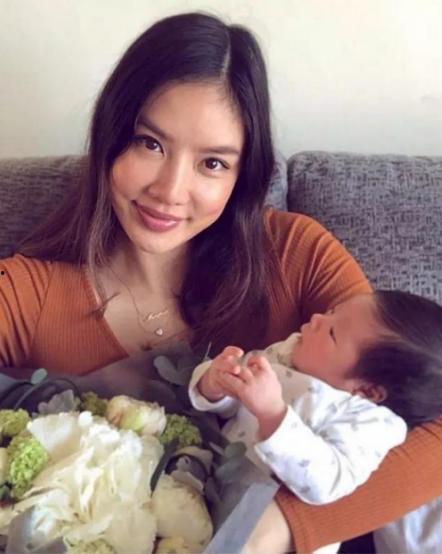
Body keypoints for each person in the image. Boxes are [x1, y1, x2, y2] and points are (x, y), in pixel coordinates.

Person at [0, 11, 440, 554]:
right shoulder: (27, 294)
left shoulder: (296, 254)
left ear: (242, 175)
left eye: (212, 163)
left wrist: (272, 531)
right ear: (110, 136)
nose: (170, 191)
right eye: (150, 144)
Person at [190, 289, 442, 552]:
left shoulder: (367, 424)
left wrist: (274, 415)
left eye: (332, 333)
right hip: (212, 478)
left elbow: (327, 482)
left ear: (366, 391)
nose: (318, 318)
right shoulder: (293, 351)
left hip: (271, 531)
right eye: (332, 312)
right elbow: (234, 404)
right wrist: (216, 386)